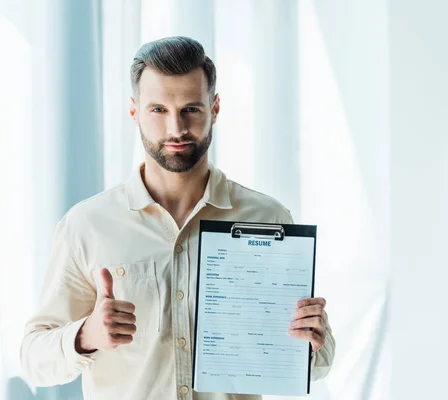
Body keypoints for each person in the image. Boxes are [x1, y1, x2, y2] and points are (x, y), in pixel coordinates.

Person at [20, 36, 335, 400]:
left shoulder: (268, 218)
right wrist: (86, 335)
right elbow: (33, 358)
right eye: (158, 110)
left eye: (191, 109)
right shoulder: (87, 225)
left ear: (214, 108)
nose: (176, 129)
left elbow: (317, 363)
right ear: (134, 110)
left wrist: (314, 339)